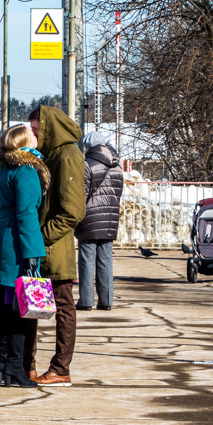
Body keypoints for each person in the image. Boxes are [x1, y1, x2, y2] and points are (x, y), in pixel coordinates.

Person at [28, 106, 86, 387]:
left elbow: (73, 211)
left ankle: (60, 368)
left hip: (54, 248)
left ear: (49, 129)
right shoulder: (51, 154)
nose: (34, 136)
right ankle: (28, 365)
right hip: (42, 247)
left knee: (62, 307)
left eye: (37, 131)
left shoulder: (68, 155)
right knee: (32, 307)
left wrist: (43, 238)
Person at [0, 123, 48, 388]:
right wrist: (33, 252)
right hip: (17, 239)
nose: (37, 137)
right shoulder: (26, 170)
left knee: (6, 301)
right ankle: (13, 364)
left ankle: (4, 362)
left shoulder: (6, 168)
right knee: (18, 308)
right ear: (25, 141)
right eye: (33, 134)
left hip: (4, 235)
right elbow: (27, 214)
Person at [76, 130, 124, 311]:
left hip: (89, 217)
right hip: (110, 218)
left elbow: (82, 193)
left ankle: (86, 300)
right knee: (105, 260)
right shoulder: (117, 165)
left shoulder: (87, 165)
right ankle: (106, 301)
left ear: (88, 147)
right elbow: (118, 192)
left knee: (86, 259)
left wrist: (78, 216)